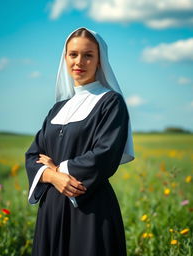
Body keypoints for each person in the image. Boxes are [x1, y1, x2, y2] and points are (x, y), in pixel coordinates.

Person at [25, 27, 135, 256]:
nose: (79, 62)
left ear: (100, 61)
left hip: (90, 208)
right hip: (52, 209)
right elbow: (33, 156)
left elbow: (104, 155)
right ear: (65, 58)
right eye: (73, 54)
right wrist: (53, 176)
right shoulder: (58, 108)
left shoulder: (110, 103)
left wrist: (58, 168)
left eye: (88, 55)